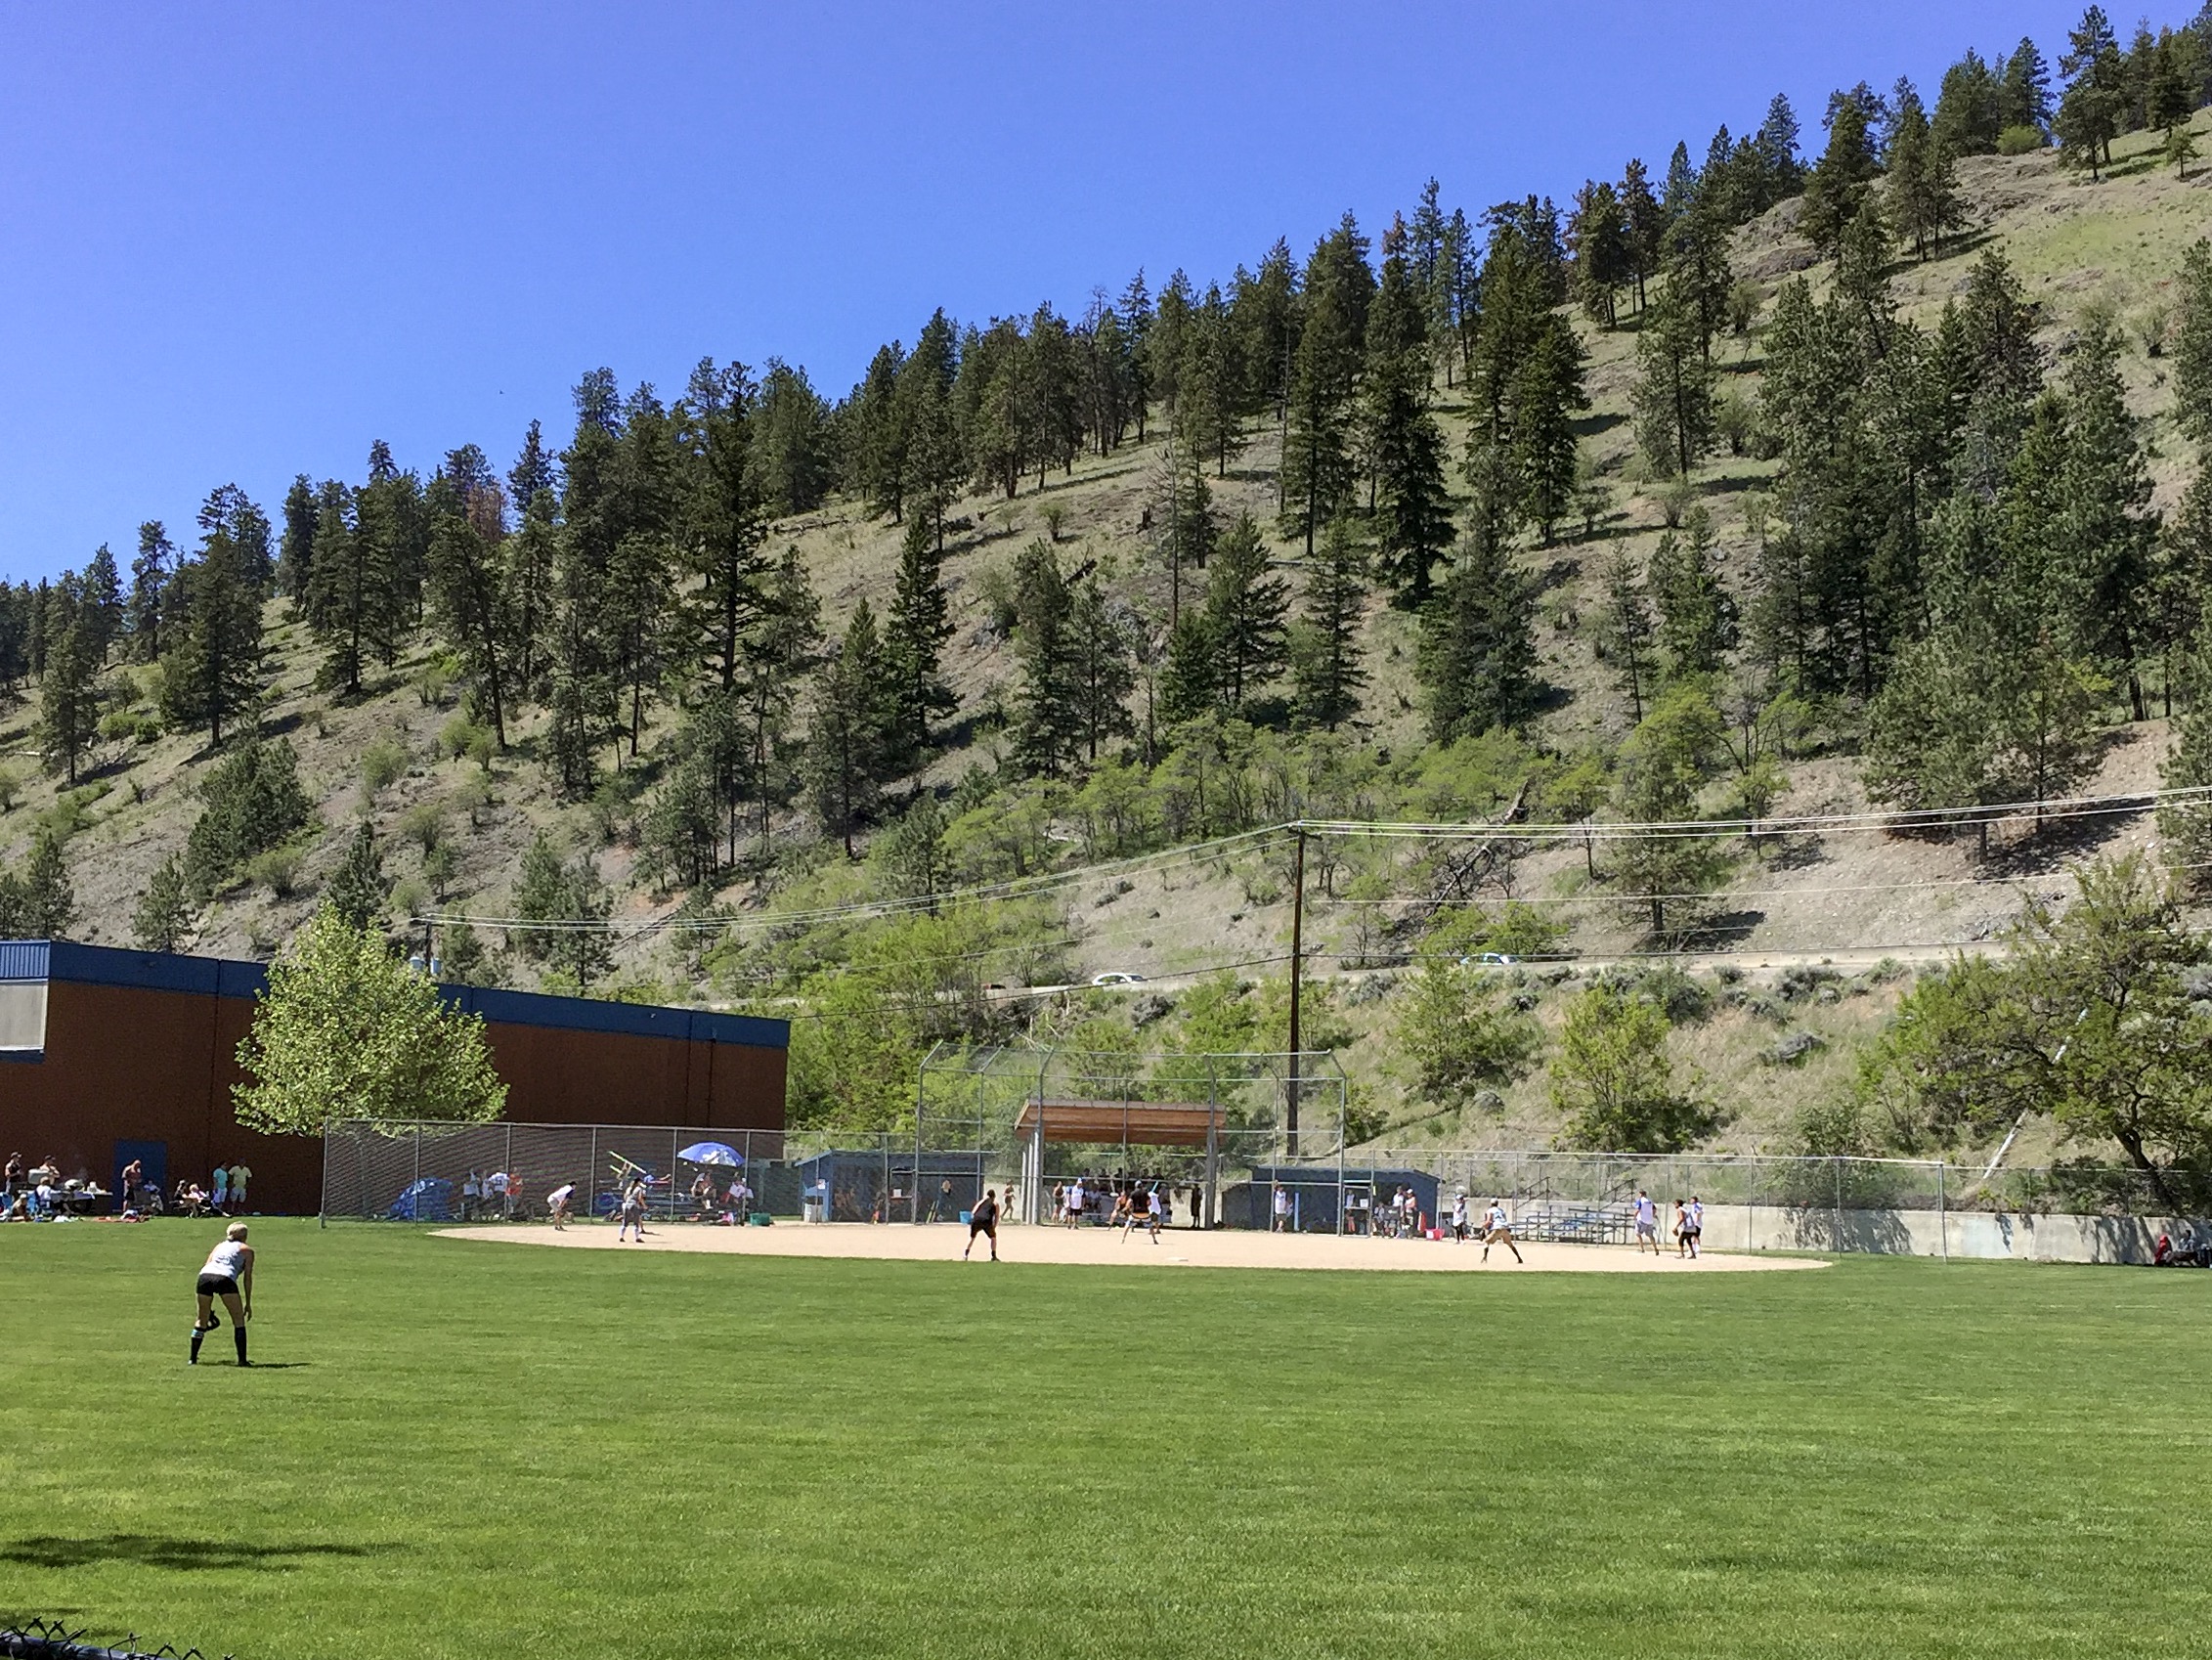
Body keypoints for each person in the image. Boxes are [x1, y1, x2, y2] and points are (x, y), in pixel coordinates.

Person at [191, 1222, 255, 1366]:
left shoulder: (219, 1246)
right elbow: (247, 1277)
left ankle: (192, 1359)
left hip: (204, 1277)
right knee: (238, 1320)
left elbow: (207, 1265)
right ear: (244, 1236)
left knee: (201, 1319)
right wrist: (248, 1303)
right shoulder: (246, 1250)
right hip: (225, 1278)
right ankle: (242, 1360)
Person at [1481, 1199, 1523, 1265]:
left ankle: (1485, 1258)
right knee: (1510, 1244)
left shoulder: (1490, 1210)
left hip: (1497, 1228)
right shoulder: (1501, 1210)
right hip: (1505, 1227)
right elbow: (1504, 1220)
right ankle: (1519, 1258)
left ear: (1491, 1204)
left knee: (1487, 1242)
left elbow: (1488, 1221)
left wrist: (1483, 1227)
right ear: (1497, 1204)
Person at [964, 1187, 1000, 1260]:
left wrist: (972, 1221)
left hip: (976, 1219)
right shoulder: (995, 1203)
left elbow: (973, 1212)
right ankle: (993, 1256)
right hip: (986, 1221)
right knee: (993, 1238)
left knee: (972, 1238)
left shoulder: (982, 1201)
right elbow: (997, 1216)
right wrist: (994, 1226)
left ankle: (965, 1255)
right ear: (994, 1197)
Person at [618, 1178, 649, 1243]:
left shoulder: (629, 1188)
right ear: (638, 1182)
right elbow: (640, 1198)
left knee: (625, 1223)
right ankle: (637, 1238)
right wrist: (644, 1205)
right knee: (636, 1222)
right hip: (634, 1205)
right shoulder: (639, 1189)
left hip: (626, 1205)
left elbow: (625, 1197)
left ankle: (621, 1236)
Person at [1632, 1190, 1660, 1255]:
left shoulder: (1640, 1200)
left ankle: (1642, 1249)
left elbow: (1638, 1209)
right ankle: (1655, 1249)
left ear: (1641, 1195)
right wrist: (1652, 1215)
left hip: (1642, 1220)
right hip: (1649, 1221)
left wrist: (1635, 1216)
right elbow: (1654, 1209)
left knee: (1638, 1234)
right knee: (1650, 1236)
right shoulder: (1650, 1201)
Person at [1683, 1196, 1704, 1260]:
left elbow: (1698, 1213)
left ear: (1694, 1200)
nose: (1690, 1201)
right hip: (1696, 1223)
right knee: (1693, 1236)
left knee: (1695, 1236)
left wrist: (1695, 1221)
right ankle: (1694, 1249)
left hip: (1696, 1223)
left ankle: (1697, 1249)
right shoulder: (1696, 1205)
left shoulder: (1696, 1205)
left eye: (1691, 1199)